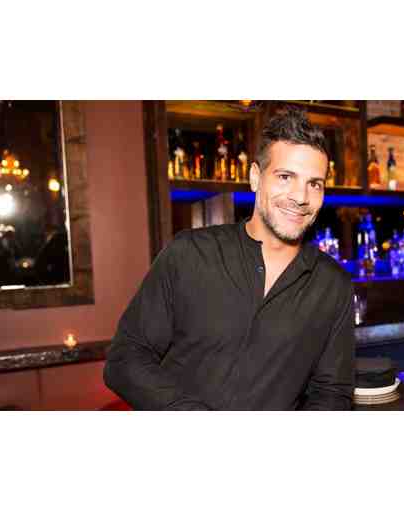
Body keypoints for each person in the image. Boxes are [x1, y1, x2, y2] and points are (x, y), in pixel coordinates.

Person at [104, 109, 355, 410]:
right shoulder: (189, 254)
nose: (301, 197)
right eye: (285, 177)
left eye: (314, 184)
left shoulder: (333, 285)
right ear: (255, 178)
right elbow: (125, 359)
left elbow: (331, 393)